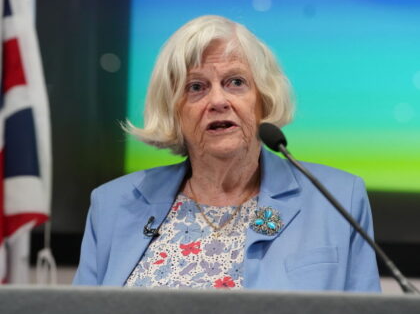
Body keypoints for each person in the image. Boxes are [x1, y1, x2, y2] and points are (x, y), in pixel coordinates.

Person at [73, 15, 381, 291]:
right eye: (196, 87)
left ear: (263, 99)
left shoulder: (339, 198)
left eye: (236, 82)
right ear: (173, 110)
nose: (218, 100)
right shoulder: (114, 204)